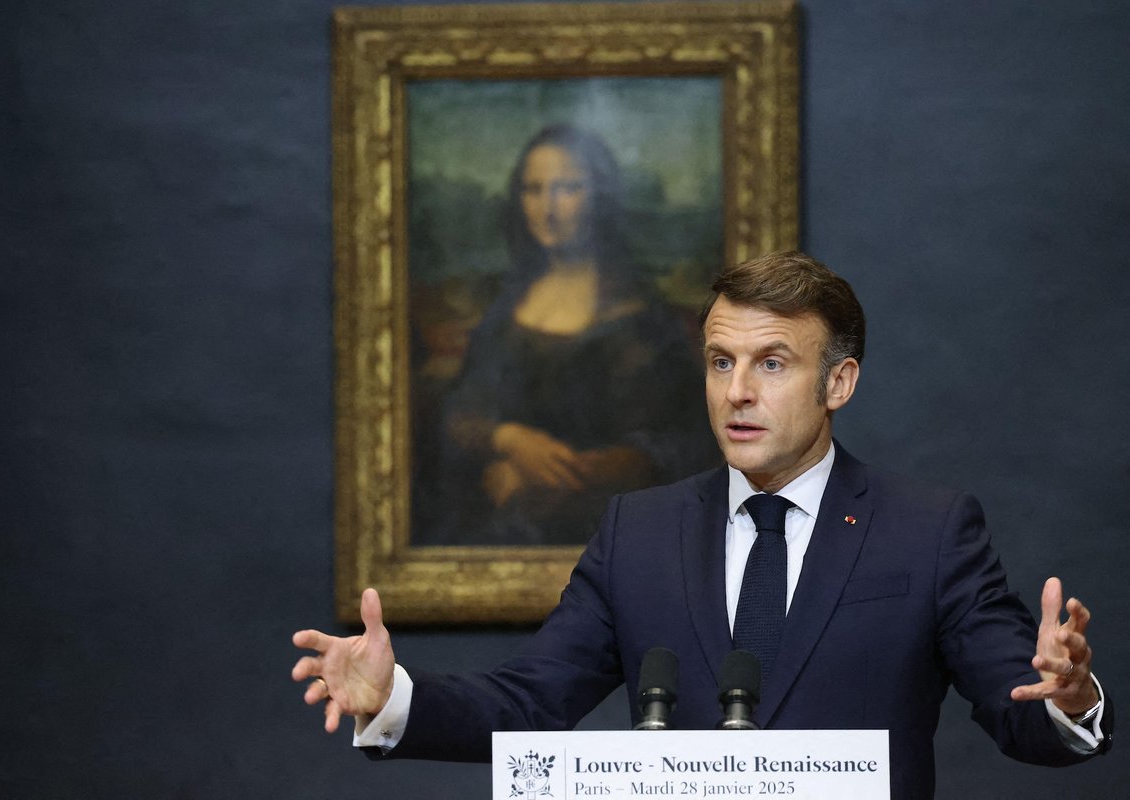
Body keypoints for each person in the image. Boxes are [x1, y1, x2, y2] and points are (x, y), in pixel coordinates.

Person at [293, 252, 1113, 799]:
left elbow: (1024, 714)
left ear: (840, 383)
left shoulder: (928, 531)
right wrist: (391, 697)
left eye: (773, 363)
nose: (738, 392)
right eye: (721, 361)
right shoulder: (637, 533)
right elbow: (529, 702)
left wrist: (1069, 697)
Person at [418, 124, 714, 546]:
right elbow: (460, 414)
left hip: (604, 531)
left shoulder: (639, 319)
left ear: (601, 198)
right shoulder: (507, 308)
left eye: (567, 188)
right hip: (494, 532)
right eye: (533, 190)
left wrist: (552, 477)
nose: (547, 209)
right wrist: (509, 440)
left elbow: (678, 446)